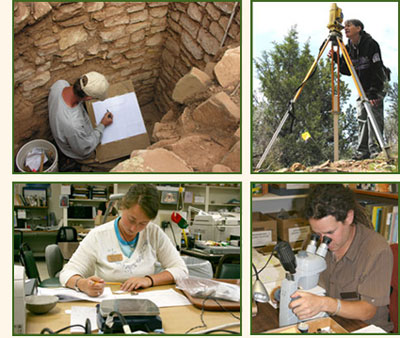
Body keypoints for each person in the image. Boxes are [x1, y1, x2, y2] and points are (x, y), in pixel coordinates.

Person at [289, 184, 393, 332]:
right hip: (326, 321)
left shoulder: (376, 250)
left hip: (365, 328)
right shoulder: (317, 238)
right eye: (317, 233)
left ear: (348, 217)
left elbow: (368, 310)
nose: (323, 240)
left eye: (330, 232)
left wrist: (325, 303)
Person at [59, 184, 189, 297]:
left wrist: (149, 280)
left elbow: (181, 270)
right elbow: (67, 273)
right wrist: (83, 284)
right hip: (108, 301)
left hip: (143, 300)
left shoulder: (153, 233)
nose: (134, 228)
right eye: (131, 220)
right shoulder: (98, 235)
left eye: (142, 223)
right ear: (121, 207)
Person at [332, 20, 387, 160]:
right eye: (345, 26)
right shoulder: (347, 47)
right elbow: (347, 70)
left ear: (359, 28)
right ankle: (362, 151)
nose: (346, 28)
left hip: (377, 83)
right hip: (361, 86)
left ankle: (375, 150)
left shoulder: (370, 44)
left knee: (373, 115)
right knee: (361, 116)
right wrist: (336, 59)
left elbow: (377, 68)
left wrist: (374, 90)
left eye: (349, 25)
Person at [48, 71, 114, 167]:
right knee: (111, 164)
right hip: (78, 150)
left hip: (69, 133)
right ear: (88, 98)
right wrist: (102, 125)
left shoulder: (60, 84)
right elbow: (84, 149)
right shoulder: (73, 125)